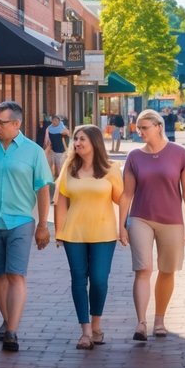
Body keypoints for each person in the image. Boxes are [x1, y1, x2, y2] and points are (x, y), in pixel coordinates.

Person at [0, 101, 53, 352]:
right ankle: (6, 320)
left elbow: (43, 189)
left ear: (16, 124)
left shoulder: (34, 151)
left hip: (21, 221)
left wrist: (43, 225)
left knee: (15, 273)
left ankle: (12, 331)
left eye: (0, 122)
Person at [119, 108, 185, 341]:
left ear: (159, 127)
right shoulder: (134, 156)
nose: (139, 132)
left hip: (172, 221)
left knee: (167, 270)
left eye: (144, 127)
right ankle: (141, 323)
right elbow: (126, 194)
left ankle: (160, 319)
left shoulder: (179, 154)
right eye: (138, 127)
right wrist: (121, 225)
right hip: (140, 218)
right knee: (143, 269)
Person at [54, 125, 124, 350]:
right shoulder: (69, 167)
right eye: (75, 139)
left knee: (100, 280)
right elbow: (61, 200)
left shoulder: (111, 169)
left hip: (104, 233)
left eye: (82, 139)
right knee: (78, 280)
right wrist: (59, 231)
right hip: (74, 233)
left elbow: (122, 200)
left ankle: (96, 325)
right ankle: (85, 331)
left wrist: (124, 227)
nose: (77, 143)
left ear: (94, 142)